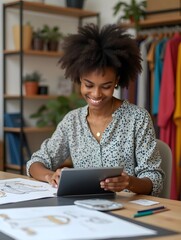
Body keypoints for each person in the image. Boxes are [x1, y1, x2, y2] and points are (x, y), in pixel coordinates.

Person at [26, 23, 164, 196]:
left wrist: (128, 182)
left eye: (105, 86)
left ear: (117, 81)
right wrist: (49, 176)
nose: (96, 94)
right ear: (79, 80)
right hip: (83, 210)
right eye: (88, 85)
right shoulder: (72, 121)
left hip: (128, 210)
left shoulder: (137, 119)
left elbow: (155, 180)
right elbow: (35, 163)